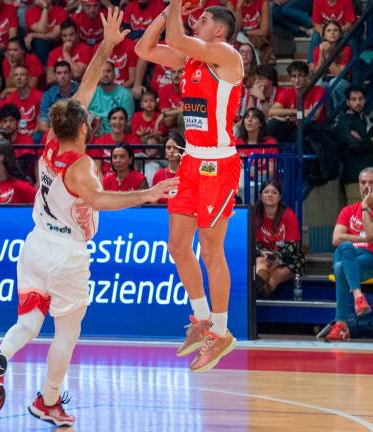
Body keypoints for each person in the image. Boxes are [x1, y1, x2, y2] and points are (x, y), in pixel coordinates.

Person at [0, 8, 177, 426]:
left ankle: (1, 357)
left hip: (34, 244)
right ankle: (48, 400)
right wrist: (150, 192)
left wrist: (107, 45)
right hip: (67, 253)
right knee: (67, 334)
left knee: (29, 321)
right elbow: (103, 201)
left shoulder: (51, 139)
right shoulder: (82, 166)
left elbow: (85, 86)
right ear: (84, 127)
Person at [135, 0, 244, 371]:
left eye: (207, 18)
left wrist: (177, 7)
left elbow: (178, 38)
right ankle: (201, 320)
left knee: (212, 251)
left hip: (218, 162)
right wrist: (166, 13)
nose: (200, 19)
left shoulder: (226, 56)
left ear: (220, 31)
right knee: (178, 246)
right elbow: (142, 50)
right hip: (191, 160)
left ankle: (222, 331)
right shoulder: (190, 59)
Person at [324, 167, 373, 342]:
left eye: (371, 182)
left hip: (371, 261)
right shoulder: (347, 210)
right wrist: (369, 240)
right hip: (348, 255)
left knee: (341, 266)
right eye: (363, 183)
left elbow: (371, 233)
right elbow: (336, 239)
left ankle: (341, 325)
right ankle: (358, 296)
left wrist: (365, 208)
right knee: (345, 248)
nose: (366, 187)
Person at [336, 84, 373, 204]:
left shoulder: (371, 121)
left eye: (360, 98)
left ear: (364, 100)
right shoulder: (343, 122)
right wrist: (370, 141)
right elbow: (354, 145)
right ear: (348, 102)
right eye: (354, 99)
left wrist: (362, 141)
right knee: (357, 215)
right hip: (354, 177)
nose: (357, 102)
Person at [254, 180, 303, 298]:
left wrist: (276, 259)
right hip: (265, 257)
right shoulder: (254, 216)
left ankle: (255, 296)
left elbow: (293, 247)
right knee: (261, 262)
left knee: (274, 275)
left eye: (274, 193)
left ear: (280, 197)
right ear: (260, 196)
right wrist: (263, 253)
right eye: (266, 192)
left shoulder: (289, 215)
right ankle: (256, 295)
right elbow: (252, 244)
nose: (270, 195)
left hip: (289, 259)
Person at [311, 20, 351, 108]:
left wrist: (328, 54)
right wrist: (322, 54)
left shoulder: (346, 49)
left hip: (343, 81)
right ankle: (322, 117)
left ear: (340, 34)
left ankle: (337, 117)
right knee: (318, 84)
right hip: (325, 80)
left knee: (334, 83)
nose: (332, 33)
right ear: (324, 35)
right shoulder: (317, 49)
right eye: (328, 30)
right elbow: (317, 75)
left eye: (335, 30)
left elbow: (339, 75)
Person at [88, 61, 135, 135]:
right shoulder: (90, 93)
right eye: (101, 71)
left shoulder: (125, 95)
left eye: (108, 71)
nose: (105, 74)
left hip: (116, 137)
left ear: (115, 74)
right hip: (92, 136)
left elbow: (127, 123)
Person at [37, 61, 78, 134]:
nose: (62, 76)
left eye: (65, 72)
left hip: (77, 131)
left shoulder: (80, 89)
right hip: (55, 132)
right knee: (38, 136)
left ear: (70, 74)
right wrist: (59, 134)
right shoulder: (48, 95)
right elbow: (43, 125)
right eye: (59, 73)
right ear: (54, 76)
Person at [153, 132, 183, 203]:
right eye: (168, 148)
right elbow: (154, 203)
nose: (171, 151)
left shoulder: (189, 174)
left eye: (175, 148)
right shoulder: (158, 175)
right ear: (165, 152)